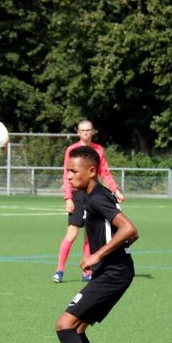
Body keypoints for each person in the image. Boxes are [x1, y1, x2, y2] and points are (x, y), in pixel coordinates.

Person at [55, 145, 138, 343]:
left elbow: (130, 229)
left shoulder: (97, 198)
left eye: (73, 171)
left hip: (114, 274)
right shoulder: (92, 196)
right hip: (113, 272)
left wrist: (97, 255)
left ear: (92, 171)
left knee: (64, 325)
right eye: (67, 170)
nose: (68, 176)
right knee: (77, 329)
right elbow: (130, 235)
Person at [53, 120, 125, 283]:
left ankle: (87, 271)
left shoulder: (98, 150)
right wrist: (68, 198)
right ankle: (59, 270)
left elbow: (104, 172)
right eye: (82, 130)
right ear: (78, 132)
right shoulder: (72, 150)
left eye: (88, 130)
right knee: (71, 235)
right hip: (78, 196)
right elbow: (67, 175)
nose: (85, 133)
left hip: (93, 196)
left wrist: (115, 190)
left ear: (93, 132)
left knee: (89, 237)